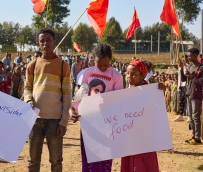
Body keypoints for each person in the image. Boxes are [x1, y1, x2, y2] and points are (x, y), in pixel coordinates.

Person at [24, 28, 71, 172]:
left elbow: (67, 95)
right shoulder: (32, 65)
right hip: (35, 119)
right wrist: (28, 100)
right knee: (33, 161)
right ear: (38, 44)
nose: (46, 43)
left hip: (55, 121)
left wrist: (63, 122)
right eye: (42, 41)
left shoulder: (63, 65)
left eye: (48, 40)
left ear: (54, 42)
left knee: (56, 161)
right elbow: (27, 88)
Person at [71, 43, 123, 172]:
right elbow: (82, 94)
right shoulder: (88, 73)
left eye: (106, 64)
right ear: (94, 59)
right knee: (88, 157)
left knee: (104, 158)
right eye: (99, 65)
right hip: (89, 122)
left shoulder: (117, 76)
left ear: (111, 59)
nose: (103, 67)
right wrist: (74, 108)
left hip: (107, 123)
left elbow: (119, 99)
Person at [121, 59, 165, 172]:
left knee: (144, 164)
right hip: (130, 137)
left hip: (145, 138)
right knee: (130, 164)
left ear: (142, 75)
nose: (129, 76)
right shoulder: (126, 91)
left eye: (134, 74)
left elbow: (156, 110)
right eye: (128, 73)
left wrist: (160, 91)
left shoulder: (150, 91)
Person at [182, 48, 203, 145]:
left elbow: (201, 81)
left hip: (196, 95)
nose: (188, 57)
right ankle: (193, 135)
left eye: (189, 55)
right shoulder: (190, 67)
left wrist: (191, 76)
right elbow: (187, 78)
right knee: (190, 116)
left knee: (195, 116)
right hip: (189, 93)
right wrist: (185, 73)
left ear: (195, 56)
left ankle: (198, 138)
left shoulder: (201, 68)